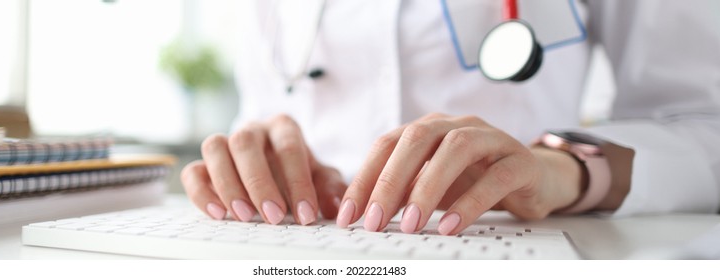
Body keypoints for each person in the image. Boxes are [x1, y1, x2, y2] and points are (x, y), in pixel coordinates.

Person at [180, 0, 720, 235]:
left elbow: (704, 125)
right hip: (307, 244)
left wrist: (563, 168)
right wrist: (262, 163)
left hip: (506, 240)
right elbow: (271, 106)